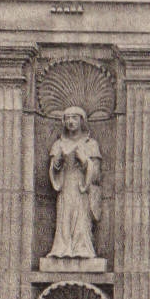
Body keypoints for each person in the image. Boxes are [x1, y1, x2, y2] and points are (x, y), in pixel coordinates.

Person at [45, 106, 102, 261]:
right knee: (64, 217)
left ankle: (82, 248)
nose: (71, 121)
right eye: (68, 118)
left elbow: (97, 175)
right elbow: (53, 171)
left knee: (81, 218)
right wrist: (58, 161)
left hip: (82, 187)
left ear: (82, 121)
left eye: (74, 118)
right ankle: (62, 248)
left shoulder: (91, 144)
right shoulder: (58, 144)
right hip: (65, 186)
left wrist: (85, 162)